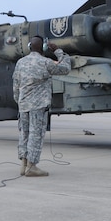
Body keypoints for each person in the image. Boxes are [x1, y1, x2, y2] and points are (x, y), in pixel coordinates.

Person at [12, 36, 71, 177]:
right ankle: (32, 167)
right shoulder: (45, 62)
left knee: (24, 134)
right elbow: (65, 68)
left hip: (23, 104)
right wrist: (58, 51)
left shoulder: (20, 63)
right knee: (36, 134)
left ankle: (24, 164)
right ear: (43, 48)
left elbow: (15, 85)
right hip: (38, 105)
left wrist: (19, 101)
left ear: (29, 46)